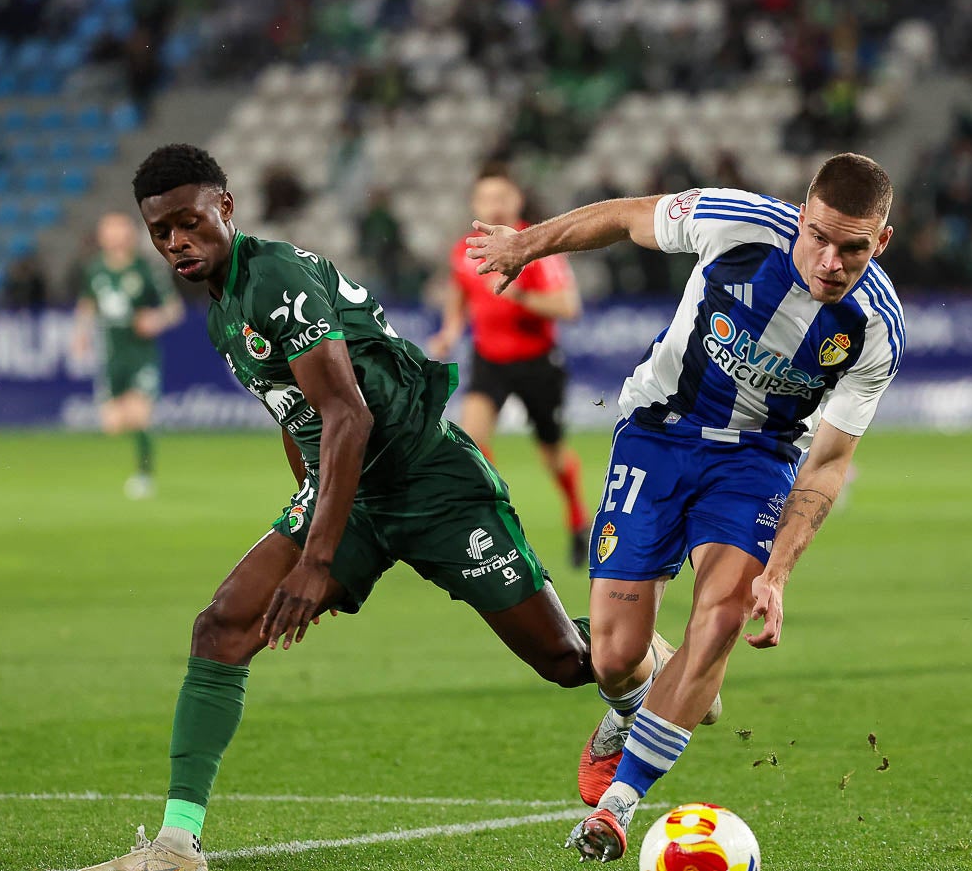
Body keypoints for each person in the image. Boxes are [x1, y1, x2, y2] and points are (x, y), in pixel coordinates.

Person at [75, 143, 614, 871]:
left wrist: (316, 559)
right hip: (351, 494)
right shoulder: (222, 311)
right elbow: (299, 422)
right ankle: (175, 844)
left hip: (429, 479)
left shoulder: (275, 281)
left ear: (225, 208)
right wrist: (306, 515)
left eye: (189, 221)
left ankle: (640, 659)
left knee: (564, 658)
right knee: (223, 624)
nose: (176, 242)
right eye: (160, 231)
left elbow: (348, 416)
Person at [469, 153, 904, 862]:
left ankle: (619, 804)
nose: (830, 260)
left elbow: (826, 463)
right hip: (656, 434)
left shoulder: (875, 328)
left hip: (756, 461)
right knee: (611, 656)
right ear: (801, 215)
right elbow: (620, 214)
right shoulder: (734, 224)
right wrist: (525, 244)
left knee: (724, 613)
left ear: (879, 242)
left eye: (852, 247)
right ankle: (641, 690)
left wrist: (780, 571)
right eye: (819, 235)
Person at [428, 164, 592, 567]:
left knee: (551, 454)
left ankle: (577, 521)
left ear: (517, 201)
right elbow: (459, 289)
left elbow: (569, 307)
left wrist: (520, 296)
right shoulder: (464, 248)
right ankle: (495, 522)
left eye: (501, 197)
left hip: (538, 362)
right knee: (471, 439)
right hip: (490, 361)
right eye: (486, 198)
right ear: (474, 204)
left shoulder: (535, 245)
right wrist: (451, 329)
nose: (494, 206)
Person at [71, 212, 185, 500]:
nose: (115, 236)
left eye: (119, 230)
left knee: (139, 416)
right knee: (112, 424)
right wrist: (80, 334)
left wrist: (155, 320)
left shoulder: (145, 269)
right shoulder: (95, 269)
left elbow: (174, 309)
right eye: (109, 230)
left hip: (141, 354)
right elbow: (87, 304)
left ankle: (144, 476)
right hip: (112, 353)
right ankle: (136, 466)